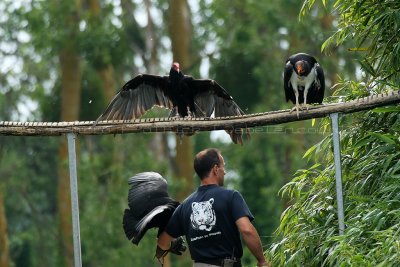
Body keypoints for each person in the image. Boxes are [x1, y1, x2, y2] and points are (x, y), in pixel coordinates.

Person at [156, 148, 271, 267]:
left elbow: (162, 242)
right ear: (216, 169)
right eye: (223, 166)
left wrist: (172, 245)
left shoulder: (184, 206)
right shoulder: (231, 196)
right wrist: (262, 261)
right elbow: (247, 230)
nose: (224, 172)